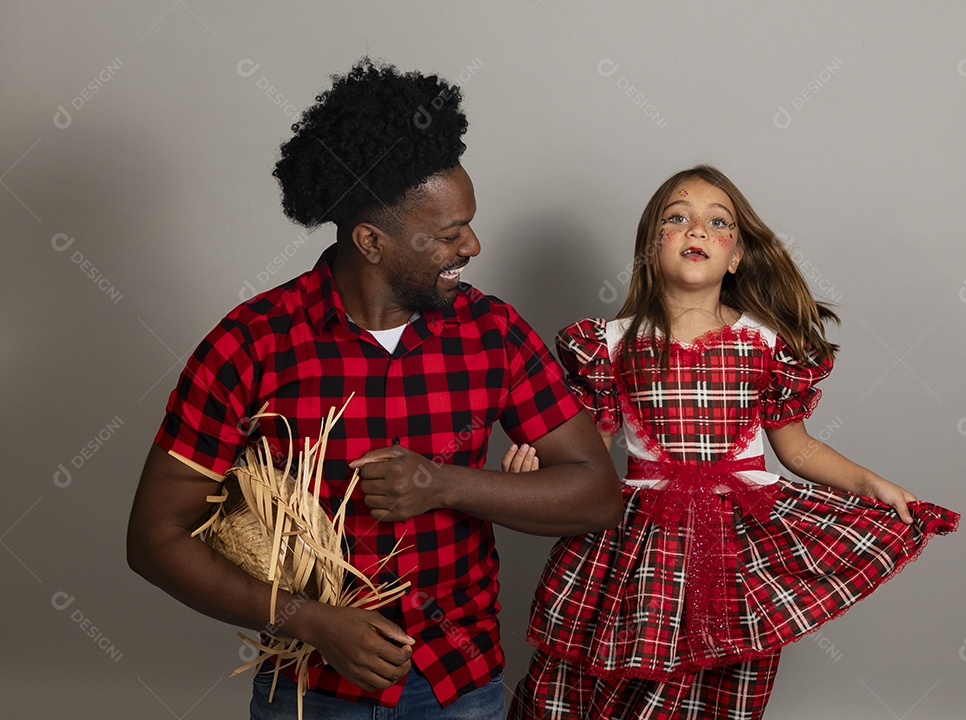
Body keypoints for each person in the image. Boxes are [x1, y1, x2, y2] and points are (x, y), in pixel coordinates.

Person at [126, 58, 622, 719]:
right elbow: (156, 537)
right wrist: (307, 619)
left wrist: (447, 484)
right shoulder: (251, 344)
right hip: (309, 694)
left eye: (468, 223)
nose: (472, 244)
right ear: (372, 241)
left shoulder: (492, 332)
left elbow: (597, 494)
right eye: (450, 233)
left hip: (459, 686)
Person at [504, 165, 960, 719]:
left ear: (737, 254)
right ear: (652, 245)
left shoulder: (767, 345)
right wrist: (538, 470)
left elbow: (798, 449)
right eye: (677, 218)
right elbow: (590, 456)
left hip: (738, 541)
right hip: (640, 542)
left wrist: (873, 483)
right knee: (618, 681)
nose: (696, 231)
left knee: (718, 683)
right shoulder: (610, 345)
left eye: (716, 223)